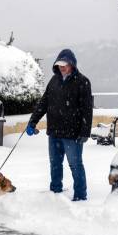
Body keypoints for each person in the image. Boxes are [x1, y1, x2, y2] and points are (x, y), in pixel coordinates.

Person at [26, 49, 93, 201]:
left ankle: (80, 196)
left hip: (72, 133)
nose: (62, 67)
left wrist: (84, 132)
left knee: (75, 165)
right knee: (55, 164)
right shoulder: (54, 81)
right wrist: (33, 121)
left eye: (65, 64)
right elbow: (43, 103)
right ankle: (55, 192)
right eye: (59, 64)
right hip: (54, 132)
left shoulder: (82, 82)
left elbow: (87, 110)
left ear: (72, 64)